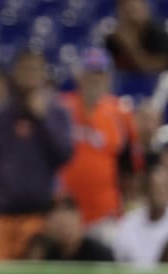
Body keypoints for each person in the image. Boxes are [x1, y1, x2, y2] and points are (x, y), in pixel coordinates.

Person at [0, 50, 73, 260]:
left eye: (35, 69)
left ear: (43, 74)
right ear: (14, 73)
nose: (30, 75)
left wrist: (43, 119)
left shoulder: (57, 113)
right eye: (25, 69)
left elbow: (64, 155)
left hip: (40, 218)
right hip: (0, 217)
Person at [59, 48, 142, 241]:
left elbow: (131, 166)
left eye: (100, 74)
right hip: (65, 212)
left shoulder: (120, 114)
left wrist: (129, 205)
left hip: (105, 213)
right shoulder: (61, 108)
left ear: (109, 78)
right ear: (79, 76)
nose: (94, 80)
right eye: (90, 73)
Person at [113, 165, 168, 267]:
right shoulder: (128, 222)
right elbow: (119, 262)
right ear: (146, 191)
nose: (158, 193)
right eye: (154, 188)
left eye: (163, 188)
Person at [105, 0, 168, 73]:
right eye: (127, 8)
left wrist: (132, 47)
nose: (132, 9)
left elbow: (154, 72)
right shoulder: (113, 40)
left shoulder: (159, 34)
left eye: (136, 8)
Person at [25, 197, 115, 262]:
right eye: (59, 224)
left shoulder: (100, 255)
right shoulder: (46, 253)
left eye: (68, 223)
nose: (64, 230)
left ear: (79, 220)